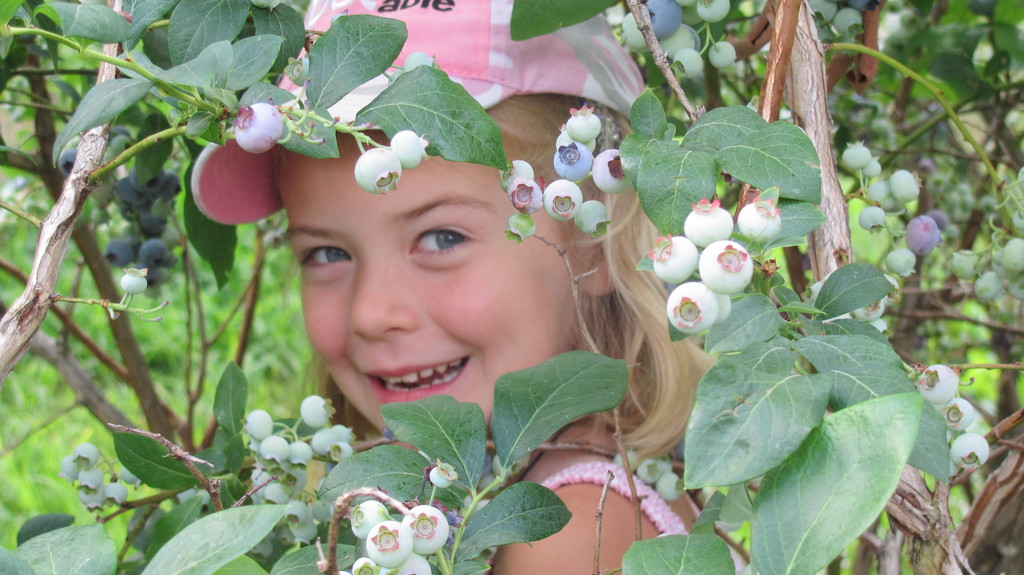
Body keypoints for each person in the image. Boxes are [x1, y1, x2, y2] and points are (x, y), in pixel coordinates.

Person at [192, 0, 711, 571]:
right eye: (327, 252)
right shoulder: (497, 500)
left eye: (441, 239)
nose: (371, 312)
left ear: (593, 230)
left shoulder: (572, 538)